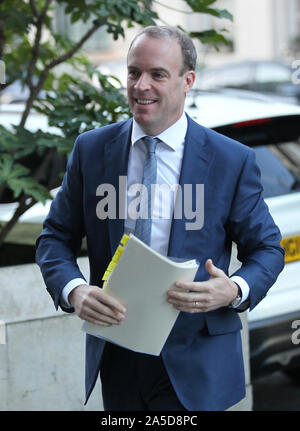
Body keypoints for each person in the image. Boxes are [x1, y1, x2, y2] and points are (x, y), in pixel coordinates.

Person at [36, 26, 285, 411]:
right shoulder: (92, 150)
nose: (140, 86)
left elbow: (268, 248)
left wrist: (234, 289)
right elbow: (54, 237)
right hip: (118, 354)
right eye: (134, 72)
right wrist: (75, 290)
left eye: (157, 74)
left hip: (196, 359)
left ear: (188, 81)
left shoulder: (230, 160)